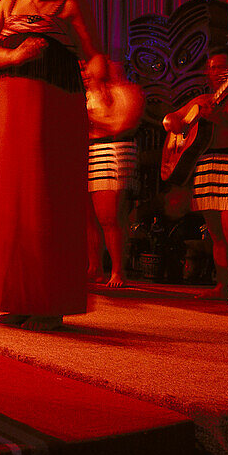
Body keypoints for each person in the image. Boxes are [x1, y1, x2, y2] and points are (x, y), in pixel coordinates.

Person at [0, 0, 109, 331]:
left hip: (58, 104)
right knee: (15, 197)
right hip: (14, 103)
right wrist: (14, 58)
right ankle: (16, 296)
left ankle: (51, 301)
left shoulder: (70, 5)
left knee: (50, 195)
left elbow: (94, 55)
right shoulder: (7, 4)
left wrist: (104, 83)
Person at [163, 46, 228, 307]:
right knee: (215, 233)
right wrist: (174, 123)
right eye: (210, 67)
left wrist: (220, 118)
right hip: (207, 164)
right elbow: (172, 118)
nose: (213, 72)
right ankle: (222, 284)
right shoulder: (203, 100)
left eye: (219, 66)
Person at [85, 60, 144, 288]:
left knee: (110, 217)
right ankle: (94, 267)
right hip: (90, 151)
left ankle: (118, 270)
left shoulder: (128, 92)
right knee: (89, 217)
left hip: (114, 150)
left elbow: (124, 125)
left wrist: (96, 122)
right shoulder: (91, 93)